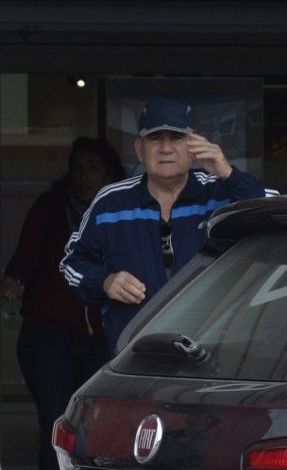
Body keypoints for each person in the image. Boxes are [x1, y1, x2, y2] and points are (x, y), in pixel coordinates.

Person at [61, 101, 272, 352]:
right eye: (155, 138)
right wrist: (105, 282)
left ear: (194, 145)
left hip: (213, 353)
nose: (165, 149)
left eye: (176, 138)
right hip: (133, 356)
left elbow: (267, 220)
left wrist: (226, 172)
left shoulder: (221, 192)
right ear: (140, 149)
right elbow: (72, 263)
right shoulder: (111, 201)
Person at [0, 137, 125, 470]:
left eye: (93, 168)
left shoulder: (119, 210)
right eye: (78, 168)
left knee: (101, 429)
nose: (83, 176)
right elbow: (26, 255)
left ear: (109, 175)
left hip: (102, 339)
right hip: (48, 337)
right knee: (57, 426)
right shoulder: (51, 207)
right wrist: (13, 281)